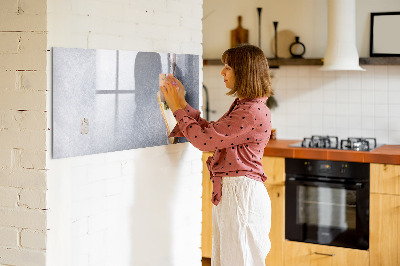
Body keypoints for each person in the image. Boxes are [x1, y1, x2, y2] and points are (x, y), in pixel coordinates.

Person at [160, 44, 273, 266]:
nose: (222, 72)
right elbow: (212, 133)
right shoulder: (246, 106)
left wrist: (176, 108)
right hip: (235, 193)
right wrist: (182, 103)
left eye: (228, 67)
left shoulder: (250, 111)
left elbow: (204, 141)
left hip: (241, 195)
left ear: (244, 71)